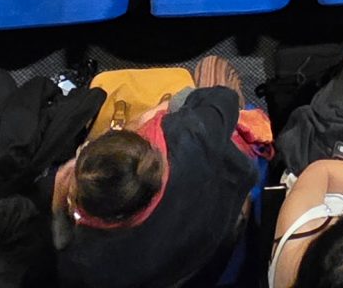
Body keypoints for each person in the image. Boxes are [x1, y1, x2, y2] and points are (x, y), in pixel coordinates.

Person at [53, 57, 261, 288]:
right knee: (213, 66)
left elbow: (62, 251)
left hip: (174, 275)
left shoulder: (88, 258)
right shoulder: (187, 135)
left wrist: (58, 206)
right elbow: (224, 98)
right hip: (217, 234)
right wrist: (160, 112)